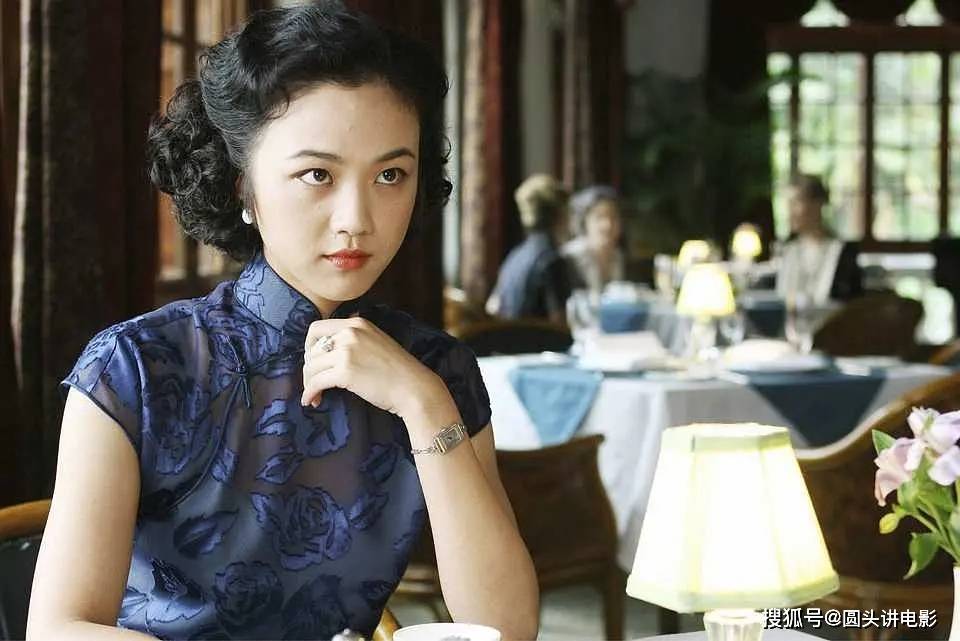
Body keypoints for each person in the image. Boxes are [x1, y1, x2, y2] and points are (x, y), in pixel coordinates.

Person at [26, 4, 539, 641]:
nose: (357, 219)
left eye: (390, 175)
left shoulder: (435, 369)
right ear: (241, 186)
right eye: (317, 174)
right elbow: (61, 628)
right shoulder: (135, 368)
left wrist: (424, 404)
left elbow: (506, 627)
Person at [485, 174, 572, 324]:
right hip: (537, 339)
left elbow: (492, 307)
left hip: (507, 337)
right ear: (561, 215)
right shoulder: (552, 260)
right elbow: (559, 324)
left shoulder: (516, 255)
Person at [776, 174, 863, 304]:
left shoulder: (841, 252)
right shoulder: (790, 250)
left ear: (818, 204)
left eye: (796, 202)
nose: (790, 211)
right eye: (788, 204)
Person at [561, 185, 625, 294]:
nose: (607, 225)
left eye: (613, 217)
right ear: (584, 222)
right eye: (599, 217)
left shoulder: (617, 256)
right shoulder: (570, 256)